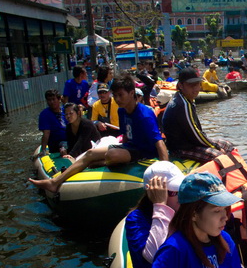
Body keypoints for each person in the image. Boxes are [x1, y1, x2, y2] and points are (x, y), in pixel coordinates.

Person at [29, 74, 168, 193]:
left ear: (132, 93)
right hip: (130, 147)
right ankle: (54, 182)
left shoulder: (145, 114)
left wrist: (165, 171)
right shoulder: (122, 111)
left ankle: (99, 162)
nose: (117, 99)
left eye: (121, 95)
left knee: (111, 154)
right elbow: (125, 135)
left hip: (144, 152)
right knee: (90, 153)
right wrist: (120, 146)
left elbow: (159, 142)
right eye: (116, 95)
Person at [126, 161, 184, 268]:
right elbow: (155, 256)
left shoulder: (182, 211)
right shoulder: (136, 219)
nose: (180, 196)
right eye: (173, 193)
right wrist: (160, 206)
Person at [163, 68, 235, 163]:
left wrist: (213, 144)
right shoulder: (183, 104)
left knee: (227, 144)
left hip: (189, 142)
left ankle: (244, 172)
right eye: (191, 86)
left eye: (197, 84)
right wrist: (214, 146)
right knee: (220, 157)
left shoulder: (184, 98)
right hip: (180, 148)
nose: (196, 89)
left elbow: (196, 131)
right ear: (181, 85)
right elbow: (195, 134)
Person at [37, 89, 67, 155]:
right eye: (49, 100)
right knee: (63, 144)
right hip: (57, 143)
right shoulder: (45, 114)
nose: (51, 102)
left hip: (70, 139)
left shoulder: (66, 110)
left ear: (59, 100)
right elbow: (46, 133)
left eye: (53, 99)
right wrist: (43, 150)